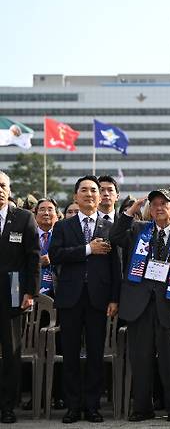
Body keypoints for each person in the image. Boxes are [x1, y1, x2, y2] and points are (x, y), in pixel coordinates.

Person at [110, 189, 170, 422]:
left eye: (164, 204)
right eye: (154, 204)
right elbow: (116, 236)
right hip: (139, 304)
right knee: (140, 359)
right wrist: (131, 211)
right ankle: (142, 408)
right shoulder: (139, 229)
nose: (159, 208)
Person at [49, 175, 121, 424]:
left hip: (99, 300)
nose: (89, 194)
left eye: (94, 191)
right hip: (70, 298)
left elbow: (116, 268)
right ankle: (72, 406)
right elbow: (55, 255)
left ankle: (92, 406)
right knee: (69, 354)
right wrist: (88, 249)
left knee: (95, 354)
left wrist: (114, 298)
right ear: (75, 197)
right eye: (84, 190)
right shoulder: (63, 226)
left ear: (100, 197)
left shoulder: (110, 226)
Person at [0, 171, 39, 423]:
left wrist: (30, 292)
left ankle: (7, 406)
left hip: (13, 291)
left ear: (9, 188)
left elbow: (33, 256)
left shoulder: (23, 218)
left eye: (2, 185)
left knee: (11, 352)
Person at [34, 198, 59, 297]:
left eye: (50, 209)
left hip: (57, 291)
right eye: (42, 209)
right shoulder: (27, 236)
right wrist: (38, 262)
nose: (46, 213)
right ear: (35, 215)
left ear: (57, 215)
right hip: (31, 291)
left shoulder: (64, 236)